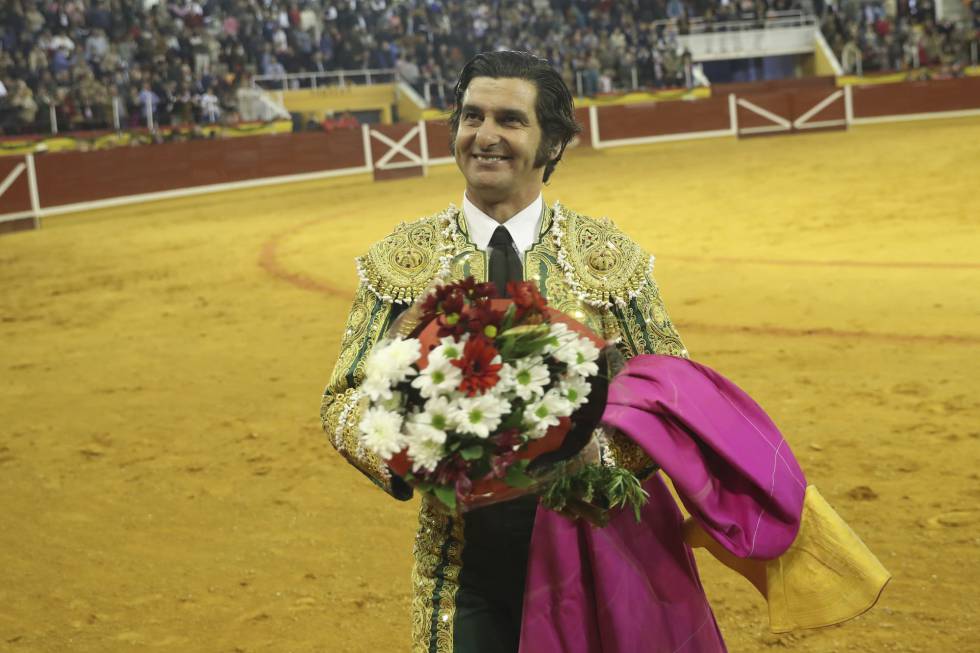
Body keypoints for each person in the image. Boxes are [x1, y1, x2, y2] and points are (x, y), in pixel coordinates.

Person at [320, 51, 886, 653]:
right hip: (463, 568)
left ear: (553, 143)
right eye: (471, 116)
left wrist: (586, 451)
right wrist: (417, 449)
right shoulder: (402, 261)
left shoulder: (607, 258)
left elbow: (675, 398)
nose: (484, 136)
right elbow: (343, 400)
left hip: (592, 559)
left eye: (509, 120)